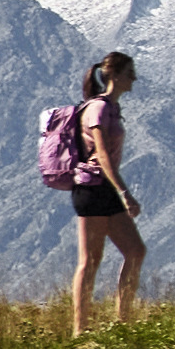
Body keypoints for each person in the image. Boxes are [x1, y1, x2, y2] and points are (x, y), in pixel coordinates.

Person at [53, 48, 148, 328]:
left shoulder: (112, 108)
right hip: (93, 189)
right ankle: (80, 329)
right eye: (130, 73)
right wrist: (124, 192)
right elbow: (102, 154)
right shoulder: (99, 108)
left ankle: (123, 321)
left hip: (104, 189)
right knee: (90, 260)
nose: (135, 78)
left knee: (135, 251)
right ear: (115, 76)